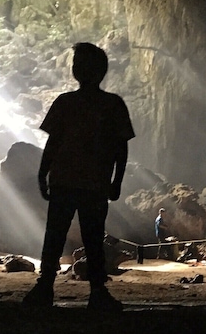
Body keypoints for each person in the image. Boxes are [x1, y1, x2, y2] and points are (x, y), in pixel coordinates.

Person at [23, 43, 134, 312]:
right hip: (92, 184)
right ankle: (95, 292)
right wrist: (116, 180)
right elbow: (121, 147)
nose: (78, 69)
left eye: (81, 64)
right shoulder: (111, 104)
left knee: (58, 235)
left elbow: (53, 143)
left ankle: (46, 287)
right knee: (90, 237)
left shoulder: (67, 103)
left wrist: (43, 172)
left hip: (68, 181)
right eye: (77, 64)